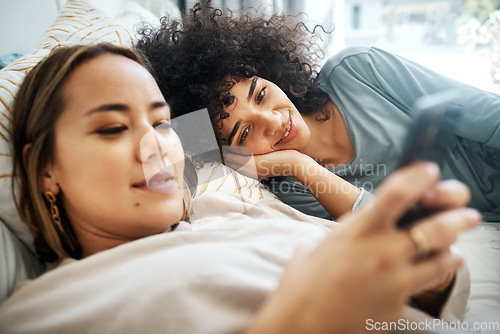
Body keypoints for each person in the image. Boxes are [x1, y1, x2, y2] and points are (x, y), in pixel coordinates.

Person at [0, 43, 480, 333]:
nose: (153, 147)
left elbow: (433, 306)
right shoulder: (44, 312)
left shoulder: (220, 198)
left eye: (162, 122)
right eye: (110, 129)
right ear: (44, 169)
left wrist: (427, 276)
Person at [136, 1, 500, 222]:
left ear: (269, 72)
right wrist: (299, 165)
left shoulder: (359, 70)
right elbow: (394, 225)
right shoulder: (289, 189)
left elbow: (488, 116)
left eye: (261, 94)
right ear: (230, 154)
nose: (275, 121)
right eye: (244, 134)